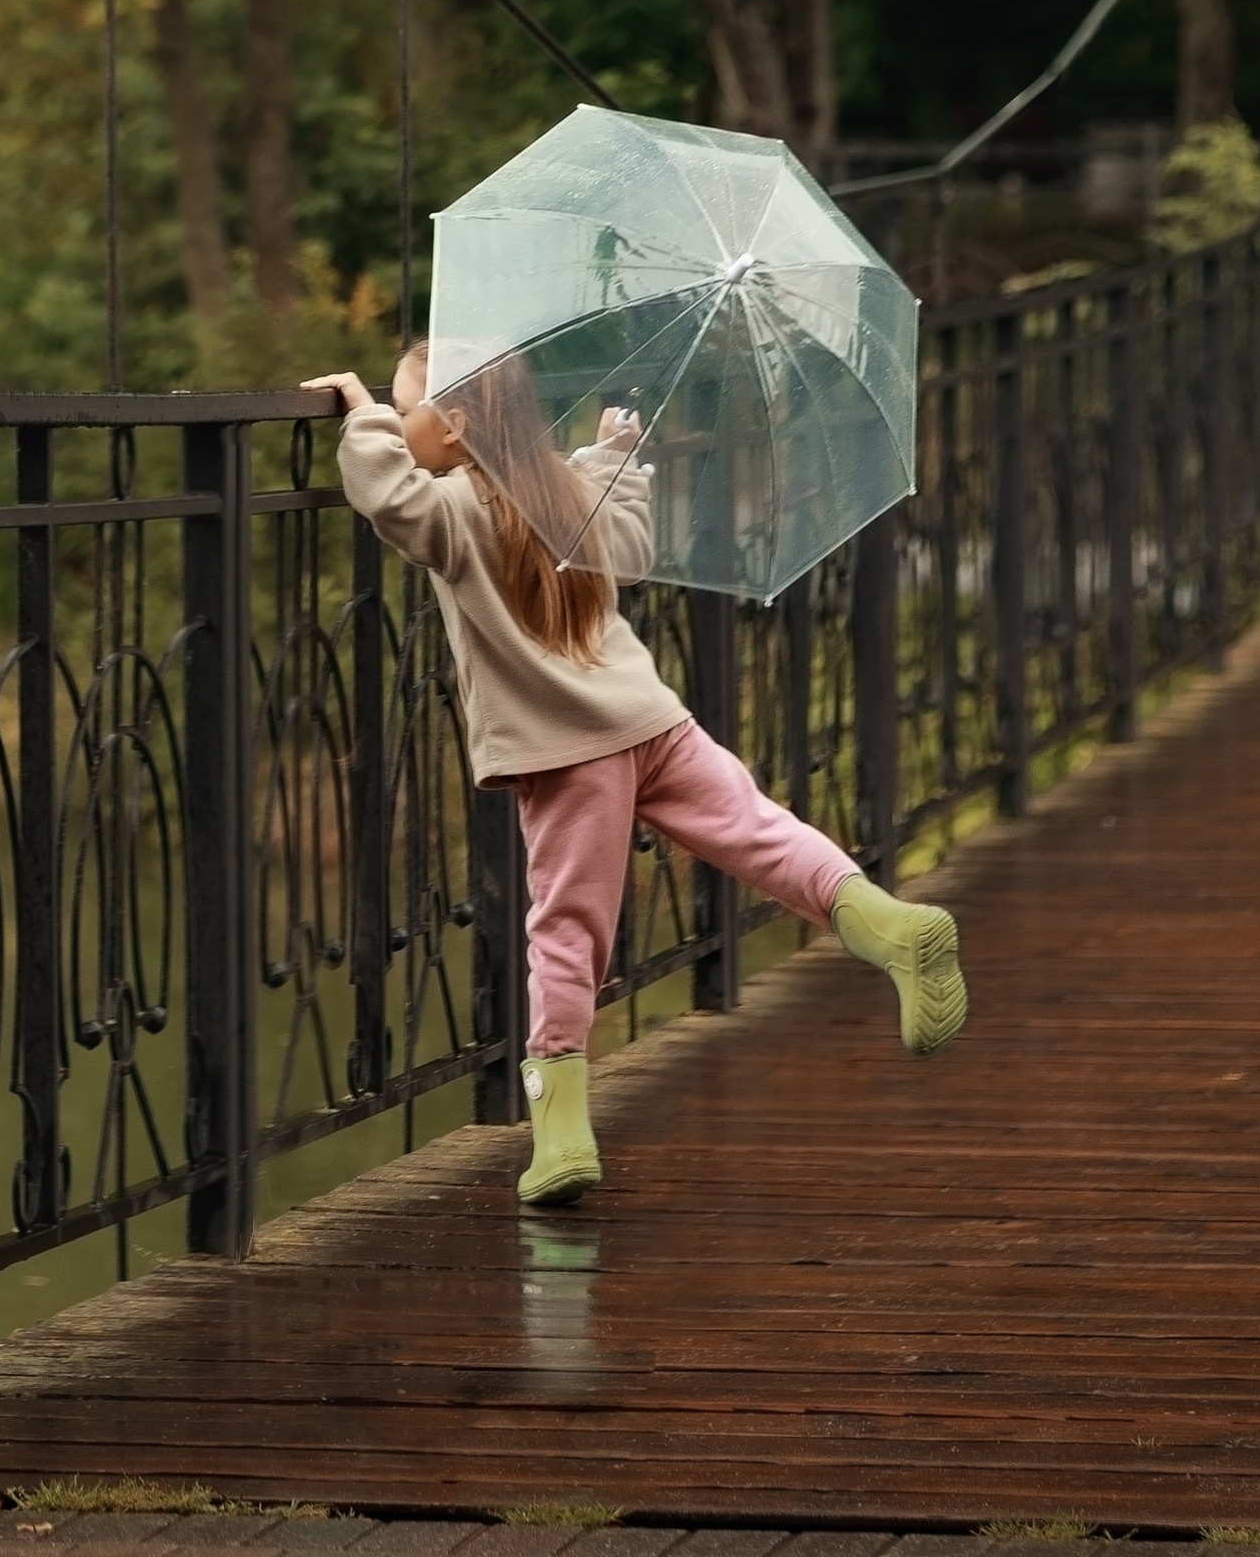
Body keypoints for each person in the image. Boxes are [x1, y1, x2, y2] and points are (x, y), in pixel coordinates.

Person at [303, 340, 967, 1207]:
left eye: (411, 404)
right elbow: (630, 543)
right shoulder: (561, 486)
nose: (400, 418)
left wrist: (362, 416)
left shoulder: (457, 509)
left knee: (568, 929)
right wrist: (614, 460)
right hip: (653, 721)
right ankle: (885, 922)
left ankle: (563, 1133)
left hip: (569, 753)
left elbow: (391, 498)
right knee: (761, 831)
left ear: (456, 425)